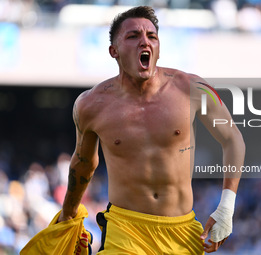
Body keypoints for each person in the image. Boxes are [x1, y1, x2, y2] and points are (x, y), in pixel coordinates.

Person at [57, 6, 245, 254]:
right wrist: (68, 216)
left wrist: (226, 207)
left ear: (157, 48)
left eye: (152, 36)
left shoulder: (194, 88)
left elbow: (233, 139)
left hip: (182, 231)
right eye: (133, 36)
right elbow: (83, 163)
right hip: (125, 230)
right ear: (114, 51)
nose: (144, 41)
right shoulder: (89, 104)